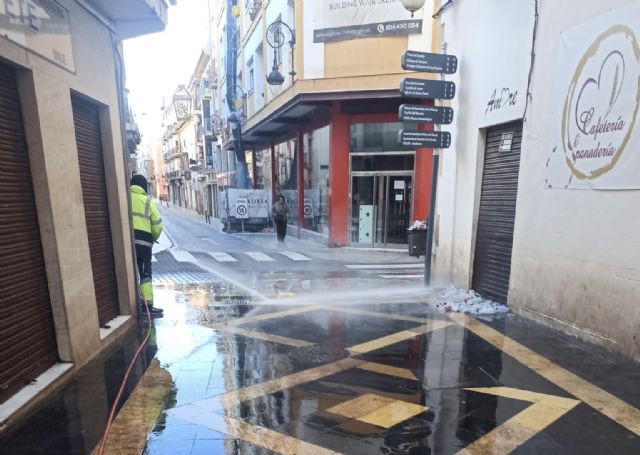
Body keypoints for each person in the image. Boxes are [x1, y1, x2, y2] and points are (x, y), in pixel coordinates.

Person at [130, 174, 164, 316]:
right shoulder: (147, 201)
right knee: (145, 275)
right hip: (144, 244)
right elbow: (157, 225)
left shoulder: (125, 199)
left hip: (127, 243)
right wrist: (152, 237)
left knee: (129, 273)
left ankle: (133, 305)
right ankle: (147, 307)